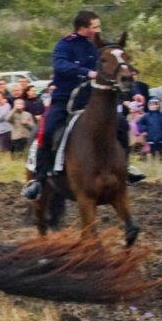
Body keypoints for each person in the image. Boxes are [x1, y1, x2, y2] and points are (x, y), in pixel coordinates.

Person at [22, 10, 143, 199]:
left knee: (121, 124)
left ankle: (124, 167)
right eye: (95, 27)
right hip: (64, 100)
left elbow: (117, 70)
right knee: (47, 131)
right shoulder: (64, 45)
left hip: (90, 101)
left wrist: (133, 94)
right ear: (83, 28)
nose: (98, 30)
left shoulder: (99, 47)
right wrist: (87, 72)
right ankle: (39, 179)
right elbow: (60, 66)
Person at [137, 97, 162, 161]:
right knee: (153, 153)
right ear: (149, 105)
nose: (154, 106)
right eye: (152, 105)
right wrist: (145, 129)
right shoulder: (146, 116)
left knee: (161, 153)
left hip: (161, 138)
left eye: (156, 104)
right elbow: (140, 124)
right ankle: (154, 164)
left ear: (159, 105)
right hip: (150, 138)